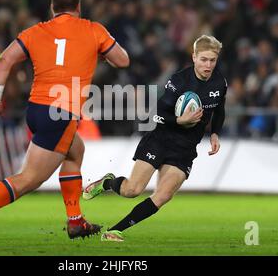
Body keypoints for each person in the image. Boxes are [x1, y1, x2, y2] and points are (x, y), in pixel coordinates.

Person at [0, 0, 129, 248]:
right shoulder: (93, 29)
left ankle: (75, 220)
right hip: (61, 112)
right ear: (78, 7)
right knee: (29, 178)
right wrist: (100, 53)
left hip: (37, 109)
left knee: (75, 150)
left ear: (52, 8)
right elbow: (123, 60)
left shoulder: (36, 31)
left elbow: (4, 61)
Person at [83, 35, 226, 241]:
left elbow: (219, 110)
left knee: (163, 195)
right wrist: (180, 120)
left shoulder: (220, 82)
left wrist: (215, 133)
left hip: (185, 149)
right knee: (132, 190)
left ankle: (115, 230)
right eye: (204, 59)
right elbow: (157, 114)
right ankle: (107, 183)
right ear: (194, 57)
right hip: (161, 139)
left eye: (212, 60)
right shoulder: (179, 80)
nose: (208, 65)